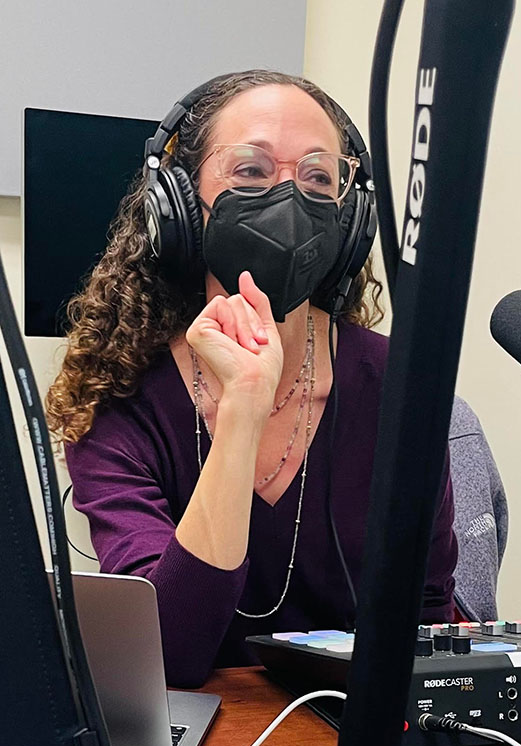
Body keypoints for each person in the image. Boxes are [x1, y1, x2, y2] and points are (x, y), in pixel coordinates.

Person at [46, 70, 458, 688]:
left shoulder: (400, 383)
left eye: (318, 177)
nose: (289, 199)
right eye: (251, 171)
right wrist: (242, 410)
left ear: (349, 221)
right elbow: (168, 656)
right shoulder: (118, 398)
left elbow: (428, 629)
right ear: (181, 202)